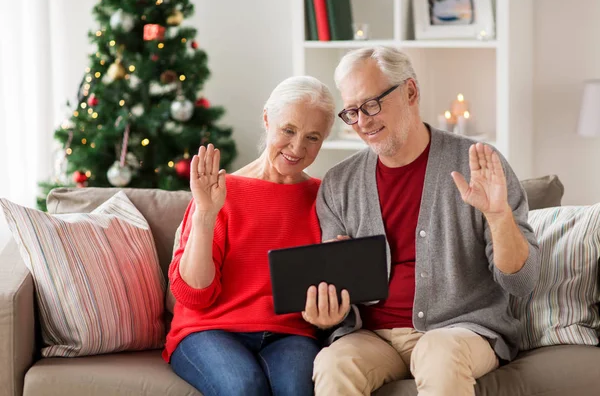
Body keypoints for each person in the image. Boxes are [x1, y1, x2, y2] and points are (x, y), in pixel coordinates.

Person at [302, 46, 541, 396]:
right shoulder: (339, 184)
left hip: (462, 331)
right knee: (332, 363)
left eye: (372, 104)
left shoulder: (478, 164)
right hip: (372, 337)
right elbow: (339, 299)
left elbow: (522, 282)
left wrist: (498, 216)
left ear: (410, 91)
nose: (363, 122)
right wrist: (329, 313)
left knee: (437, 352)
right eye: (352, 112)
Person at [163, 76, 338, 396]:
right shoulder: (220, 192)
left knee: (298, 389)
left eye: (312, 137)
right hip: (209, 330)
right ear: (267, 119)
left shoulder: (324, 198)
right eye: (288, 130)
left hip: (290, 333)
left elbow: (332, 287)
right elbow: (193, 296)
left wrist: (333, 306)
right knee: (244, 387)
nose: (298, 147)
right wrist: (205, 214)